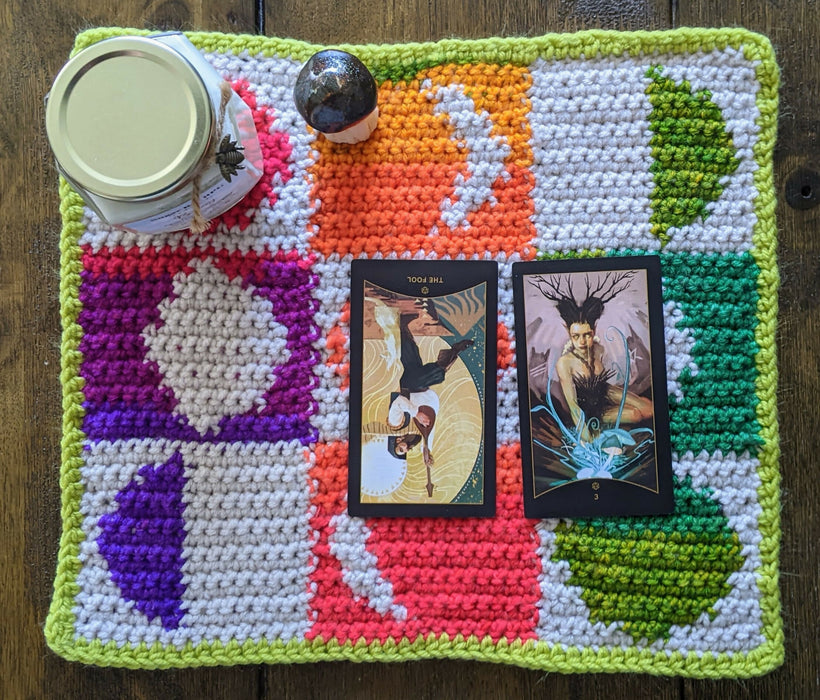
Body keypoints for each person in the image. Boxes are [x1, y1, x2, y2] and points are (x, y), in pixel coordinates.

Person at [531, 272, 653, 440]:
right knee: (635, 415)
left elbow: (604, 384)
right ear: (569, 333)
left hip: (607, 392)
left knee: (649, 409)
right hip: (591, 411)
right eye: (576, 336)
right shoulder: (565, 363)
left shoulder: (598, 350)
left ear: (594, 330)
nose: (582, 341)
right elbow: (573, 406)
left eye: (587, 335)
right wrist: (587, 441)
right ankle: (602, 429)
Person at [386, 313, 473, 472]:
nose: (406, 449)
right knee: (410, 356)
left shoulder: (395, 424)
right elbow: (428, 431)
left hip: (411, 386)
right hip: (421, 388)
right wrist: (426, 450)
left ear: (396, 442)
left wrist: (416, 413)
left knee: (434, 374)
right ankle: (402, 325)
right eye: (406, 452)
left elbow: (399, 403)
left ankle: (452, 352)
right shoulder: (415, 434)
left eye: (401, 449)